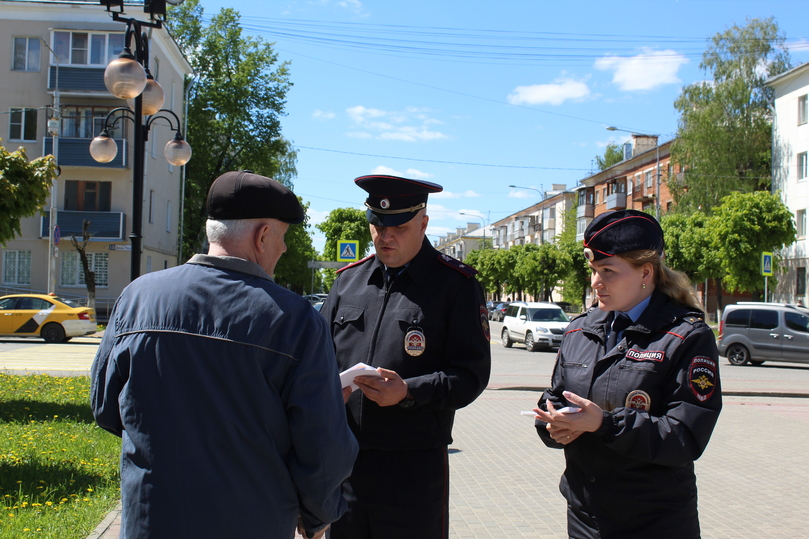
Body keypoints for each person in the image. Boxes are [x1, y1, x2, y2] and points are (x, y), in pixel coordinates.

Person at [90, 171, 358, 539]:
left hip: (152, 519)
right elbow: (323, 447)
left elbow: (105, 407)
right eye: (283, 238)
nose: (284, 250)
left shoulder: (136, 298)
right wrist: (318, 515)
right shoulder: (294, 320)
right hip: (252, 521)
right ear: (262, 235)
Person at [321, 174, 492, 539]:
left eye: (398, 226)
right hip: (346, 463)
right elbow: (318, 357)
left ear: (424, 223)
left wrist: (410, 391)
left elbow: (471, 375)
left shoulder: (455, 286)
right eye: (378, 226)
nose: (386, 237)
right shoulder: (348, 281)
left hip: (412, 469)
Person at [533, 209, 722, 539]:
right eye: (593, 270)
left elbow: (685, 437)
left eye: (607, 271)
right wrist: (552, 424)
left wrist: (605, 424)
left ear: (645, 272)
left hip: (654, 520)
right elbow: (556, 397)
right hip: (586, 515)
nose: (595, 282)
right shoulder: (579, 330)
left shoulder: (686, 336)